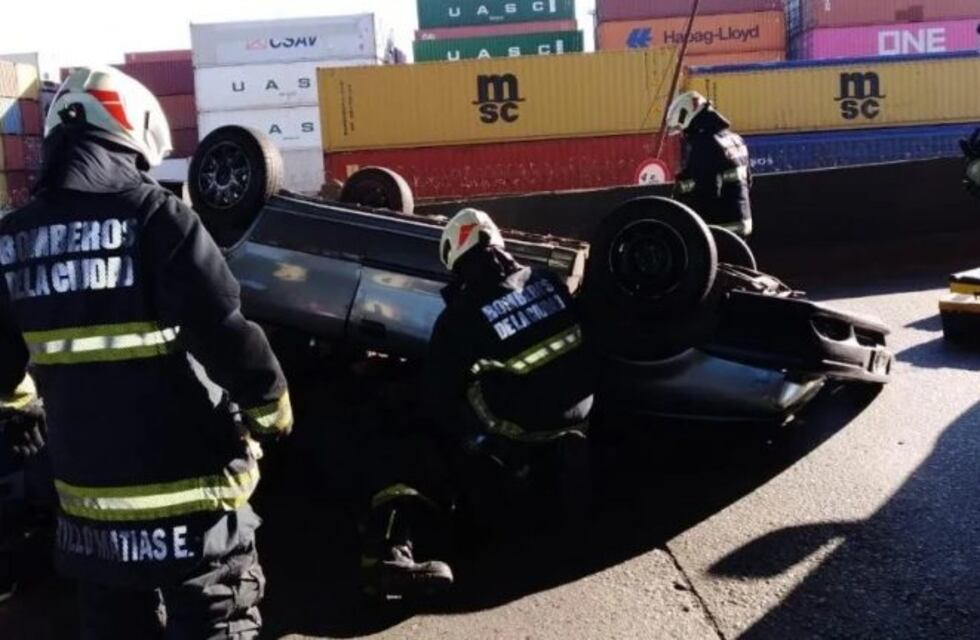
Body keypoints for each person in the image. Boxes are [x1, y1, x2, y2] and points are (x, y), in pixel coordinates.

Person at [0, 66, 292, 639]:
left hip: (91, 520)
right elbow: (223, 330)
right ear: (134, 130)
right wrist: (270, 409)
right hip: (194, 510)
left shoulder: (11, 241)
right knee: (216, 622)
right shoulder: (159, 217)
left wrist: (27, 410)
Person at [360, 208, 595, 598]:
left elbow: (438, 396)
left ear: (455, 261)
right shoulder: (548, 281)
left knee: (409, 431)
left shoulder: (461, 316)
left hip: (517, 437)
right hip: (578, 424)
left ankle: (387, 553)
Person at [667, 90, 754, 238]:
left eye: (682, 129)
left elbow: (706, 191)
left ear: (688, 119)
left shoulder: (705, 144)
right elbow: (749, 180)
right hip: (742, 222)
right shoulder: (735, 139)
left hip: (720, 227)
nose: (683, 134)